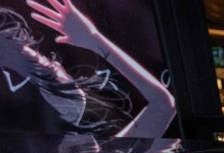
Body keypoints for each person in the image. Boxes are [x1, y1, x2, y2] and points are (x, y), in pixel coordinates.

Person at [0, 0, 175, 137]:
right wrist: (94, 39)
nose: (53, 62)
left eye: (42, 55)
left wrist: (92, 37)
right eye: (47, 72)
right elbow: (163, 104)